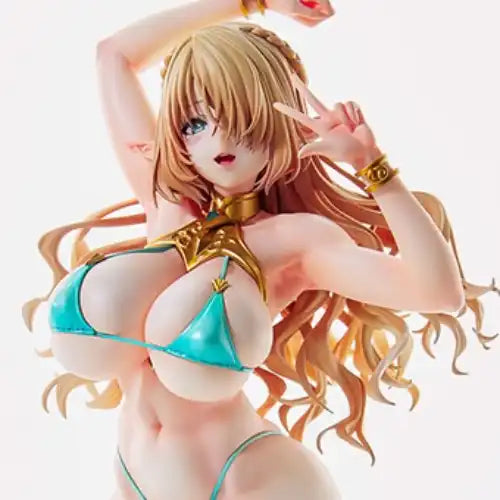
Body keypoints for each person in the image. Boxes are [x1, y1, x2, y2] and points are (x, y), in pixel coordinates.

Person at [21, 0, 498, 499]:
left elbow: (438, 292)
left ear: (283, 125)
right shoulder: (165, 198)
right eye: (194, 123)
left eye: (243, 119)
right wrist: (253, 2)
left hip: (252, 480)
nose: (218, 139)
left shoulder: (292, 242)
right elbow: (113, 55)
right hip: (138, 475)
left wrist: (373, 167)